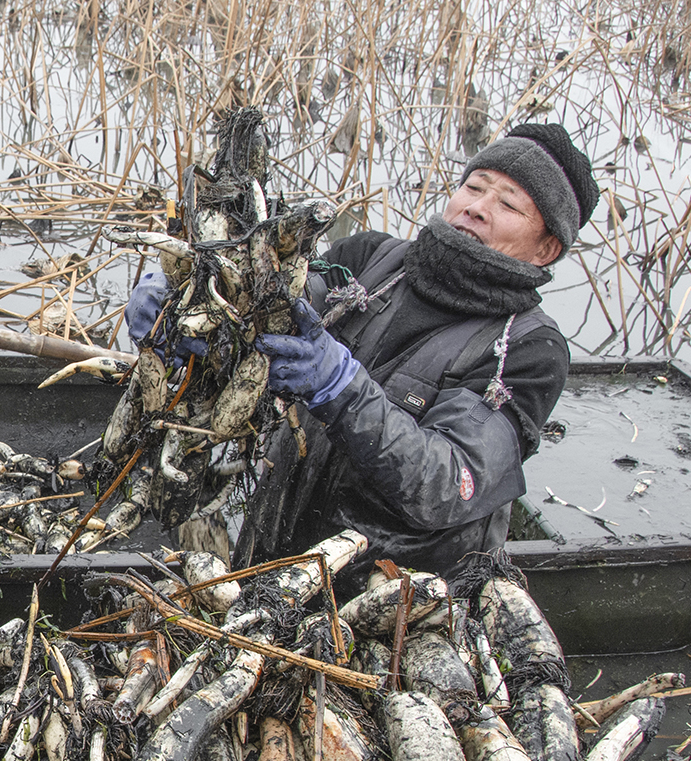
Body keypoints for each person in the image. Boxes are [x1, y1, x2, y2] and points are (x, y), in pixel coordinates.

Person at [128, 123, 597, 578]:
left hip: (396, 601)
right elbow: (261, 310)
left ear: (546, 249)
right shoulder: (369, 259)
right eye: (475, 187)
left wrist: (342, 389)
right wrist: (182, 293)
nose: (477, 207)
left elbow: (447, 484)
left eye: (508, 204)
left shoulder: (528, 350)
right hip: (273, 557)